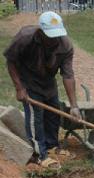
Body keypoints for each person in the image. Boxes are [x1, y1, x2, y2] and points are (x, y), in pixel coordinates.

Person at [4, 11, 81, 168]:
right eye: (50, 36)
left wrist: (74, 106)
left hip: (48, 82)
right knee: (36, 117)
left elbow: (68, 75)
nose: (54, 39)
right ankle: (40, 154)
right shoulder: (25, 37)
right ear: (41, 32)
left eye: (57, 35)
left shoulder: (65, 45)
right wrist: (19, 87)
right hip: (29, 81)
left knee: (54, 113)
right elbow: (10, 61)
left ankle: (52, 147)